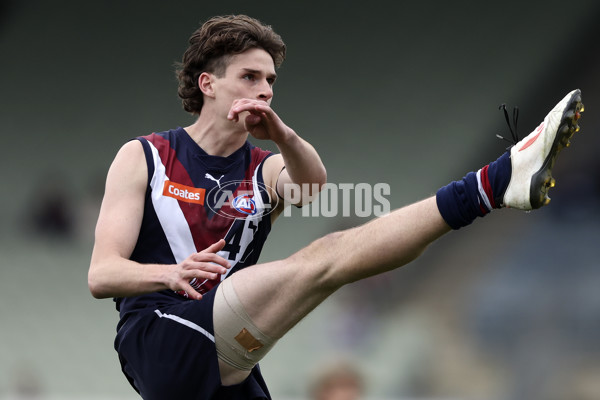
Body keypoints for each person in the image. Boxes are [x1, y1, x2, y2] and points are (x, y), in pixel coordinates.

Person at [88, 14, 585, 400]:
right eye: (250, 76)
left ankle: (495, 187)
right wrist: (169, 274)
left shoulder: (264, 168)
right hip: (160, 334)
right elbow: (102, 274)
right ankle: (493, 184)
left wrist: (282, 134)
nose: (264, 89)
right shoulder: (146, 156)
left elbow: (311, 186)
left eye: (271, 80)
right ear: (208, 84)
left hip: (230, 350)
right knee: (326, 259)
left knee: (332, 262)